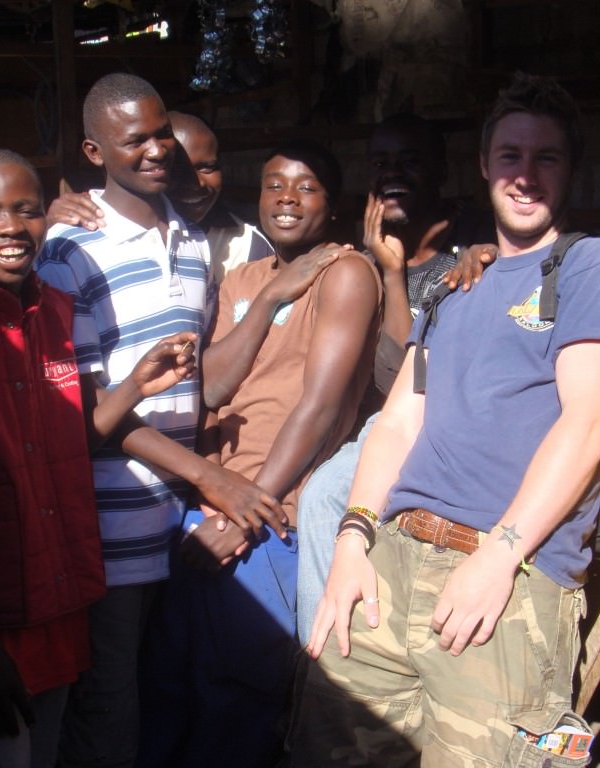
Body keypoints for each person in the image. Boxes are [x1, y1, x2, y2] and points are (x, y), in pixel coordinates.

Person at [290, 73, 600, 767]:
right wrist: (353, 539)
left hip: (505, 583)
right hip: (389, 565)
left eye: (546, 158)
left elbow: (589, 422)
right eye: (511, 155)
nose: (525, 175)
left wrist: (498, 555)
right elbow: (400, 420)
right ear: (484, 165)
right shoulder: (454, 287)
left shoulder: (589, 267)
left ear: (571, 169)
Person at [0, 149, 197, 767]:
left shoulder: (54, 311)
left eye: (26, 211)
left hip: (56, 609)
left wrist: (133, 386)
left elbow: (66, 446)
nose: (10, 228)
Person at [34, 73, 286, 768]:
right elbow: (84, 410)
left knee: (167, 691)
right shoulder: (71, 251)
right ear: (94, 151)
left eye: (160, 134)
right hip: (112, 526)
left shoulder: (193, 241)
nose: (154, 151)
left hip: (176, 521)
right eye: (132, 140)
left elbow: (199, 379)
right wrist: (210, 475)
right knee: (110, 709)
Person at [136, 140, 381, 768]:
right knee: (172, 692)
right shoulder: (244, 278)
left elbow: (320, 406)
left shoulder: (345, 273)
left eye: (306, 187)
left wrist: (247, 512)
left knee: (237, 709)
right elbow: (211, 387)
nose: (287, 199)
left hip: (266, 524)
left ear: (334, 205)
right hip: (206, 508)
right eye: (274, 185)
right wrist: (271, 299)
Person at [295, 113, 492, 645]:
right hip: (394, 417)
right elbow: (394, 375)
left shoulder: (477, 244)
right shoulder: (362, 258)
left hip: (453, 420)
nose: (392, 174)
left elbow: (427, 374)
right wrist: (389, 271)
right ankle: (316, 662)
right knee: (321, 497)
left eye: (409, 161)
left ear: (442, 170)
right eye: (380, 162)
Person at [46, 110, 273, 283]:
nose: (197, 183)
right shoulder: (96, 227)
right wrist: (48, 227)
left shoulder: (247, 245)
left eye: (208, 167)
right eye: (178, 170)